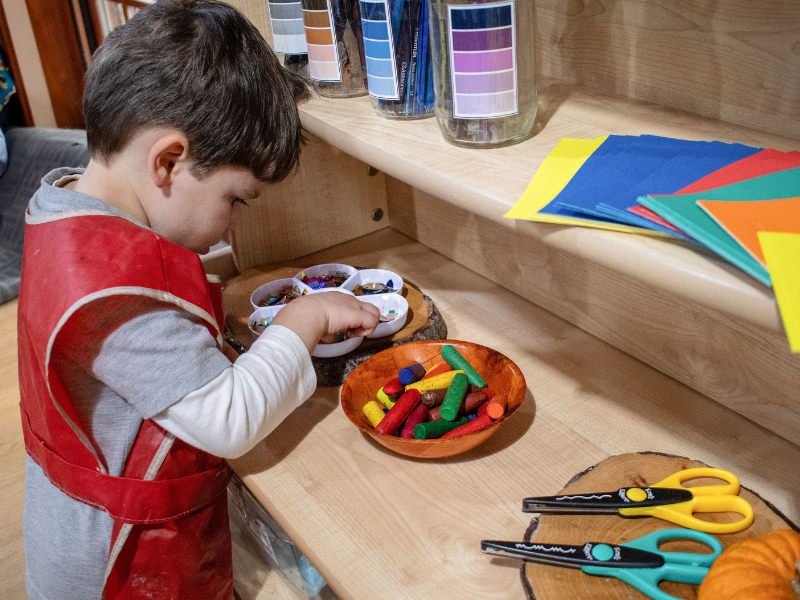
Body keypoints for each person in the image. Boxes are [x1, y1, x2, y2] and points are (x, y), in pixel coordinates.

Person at [17, 2, 380, 599]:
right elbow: (228, 419)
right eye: (237, 200)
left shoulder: (65, 212)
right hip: (118, 562)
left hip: (83, 523)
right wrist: (305, 317)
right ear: (167, 162)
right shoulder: (116, 299)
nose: (234, 228)